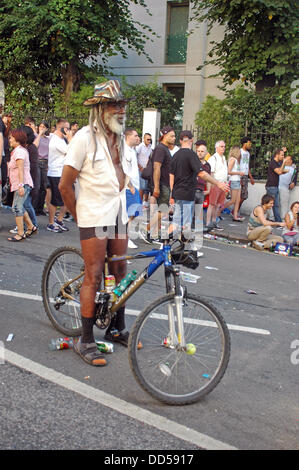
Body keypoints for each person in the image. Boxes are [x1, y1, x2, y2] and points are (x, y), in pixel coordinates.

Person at [59, 79, 134, 366]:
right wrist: (80, 219)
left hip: (117, 211)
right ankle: (86, 339)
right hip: (93, 213)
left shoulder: (120, 139)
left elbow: (125, 180)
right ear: (101, 109)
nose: (120, 110)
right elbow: (66, 185)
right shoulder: (83, 138)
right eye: (115, 105)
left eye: (122, 105)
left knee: (120, 267)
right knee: (94, 274)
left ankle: (117, 328)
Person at [169, 131, 229, 239]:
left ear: (180, 141)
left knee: (176, 221)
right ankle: (186, 251)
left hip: (177, 193)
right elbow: (201, 173)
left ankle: (164, 246)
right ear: (192, 140)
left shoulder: (175, 155)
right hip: (187, 194)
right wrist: (217, 183)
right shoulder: (191, 155)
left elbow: (171, 176)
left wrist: (171, 194)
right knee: (185, 224)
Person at [139, 126, 175, 243]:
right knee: (163, 210)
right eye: (171, 136)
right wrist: (157, 186)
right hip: (161, 184)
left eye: (174, 136)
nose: (174, 138)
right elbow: (156, 167)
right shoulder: (161, 149)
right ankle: (146, 230)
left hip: (163, 183)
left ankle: (153, 234)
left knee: (162, 210)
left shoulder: (164, 148)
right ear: (164, 136)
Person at [7, 129, 36, 241]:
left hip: (22, 184)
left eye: (11, 138)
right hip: (20, 184)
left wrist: (20, 185)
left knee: (17, 208)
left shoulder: (20, 152)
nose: (9, 140)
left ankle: (20, 233)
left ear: (17, 139)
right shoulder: (17, 151)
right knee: (18, 207)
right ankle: (31, 227)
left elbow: (20, 170)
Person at [47, 118, 72, 232]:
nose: (68, 130)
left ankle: (59, 219)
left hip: (65, 173)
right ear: (60, 127)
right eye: (66, 128)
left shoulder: (63, 139)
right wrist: (70, 138)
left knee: (68, 198)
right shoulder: (56, 140)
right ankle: (51, 223)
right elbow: (71, 151)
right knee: (55, 200)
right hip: (56, 173)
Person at [123, 128, 142, 249]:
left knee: (132, 213)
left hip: (134, 186)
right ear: (128, 136)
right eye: (135, 136)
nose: (138, 138)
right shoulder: (124, 151)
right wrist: (130, 186)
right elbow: (123, 170)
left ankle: (125, 237)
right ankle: (126, 238)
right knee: (130, 214)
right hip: (129, 187)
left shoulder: (132, 150)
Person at [205, 140, 228, 231]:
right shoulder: (213, 158)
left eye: (224, 146)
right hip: (216, 183)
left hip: (223, 184)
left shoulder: (224, 158)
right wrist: (211, 185)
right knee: (212, 204)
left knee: (218, 204)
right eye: (221, 146)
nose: (223, 148)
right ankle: (208, 223)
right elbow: (211, 173)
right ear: (217, 147)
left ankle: (214, 222)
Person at [218, 145, 244, 222]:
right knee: (233, 200)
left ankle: (235, 216)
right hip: (234, 180)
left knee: (237, 200)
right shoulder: (233, 159)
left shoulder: (236, 160)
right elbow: (228, 171)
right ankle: (219, 210)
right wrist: (238, 173)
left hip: (237, 180)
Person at [34, 120, 52, 215]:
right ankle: (35, 207)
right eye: (40, 126)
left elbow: (50, 152)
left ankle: (40, 208)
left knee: (44, 187)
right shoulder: (36, 137)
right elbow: (35, 146)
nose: (42, 128)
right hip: (37, 161)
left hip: (45, 162)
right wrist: (39, 134)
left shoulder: (48, 139)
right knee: (37, 186)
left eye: (44, 127)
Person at [265, 149, 288, 222]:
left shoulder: (277, 163)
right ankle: (278, 222)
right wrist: (284, 163)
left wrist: (283, 170)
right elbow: (279, 172)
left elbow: (280, 171)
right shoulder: (273, 163)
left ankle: (277, 221)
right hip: (271, 187)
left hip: (274, 186)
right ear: (277, 155)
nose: (283, 157)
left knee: (274, 205)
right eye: (282, 155)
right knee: (271, 205)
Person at [193, 142, 211, 228]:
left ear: (206, 153)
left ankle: (197, 231)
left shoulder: (208, 166)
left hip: (201, 191)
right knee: (190, 212)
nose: (200, 153)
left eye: (202, 151)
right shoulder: (193, 162)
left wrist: (208, 190)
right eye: (198, 151)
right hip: (192, 190)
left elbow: (208, 179)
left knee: (199, 212)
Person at [238, 137, 255, 215]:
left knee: (244, 195)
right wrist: (239, 177)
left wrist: (251, 177)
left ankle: (236, 210)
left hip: (245, 176)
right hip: (240, 175)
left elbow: (247, 166)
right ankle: (235, 211)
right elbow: (237, 164)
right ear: (244, 143)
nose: (250, 145)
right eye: (249, 143)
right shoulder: (239, 152)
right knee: (242, 195)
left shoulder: (247, 153)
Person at [279, 155, 298, 220]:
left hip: (285, 188)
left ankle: (283, 218)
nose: (285, 160)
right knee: (274, 203)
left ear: (291, 161)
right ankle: (272, 218)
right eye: (285, 159)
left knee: (284, 203)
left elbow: (295, 177)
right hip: (276, 186)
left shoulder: (294, 168)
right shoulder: (280, 165)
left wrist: (294, 183)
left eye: (287, 159)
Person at [136, 132, 152, 207]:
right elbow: (135, 156)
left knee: (147, 187)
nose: (149, 141)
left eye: (150, 139)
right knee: (142, 187)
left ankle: (145, 202)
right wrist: (140, 167)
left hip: (147, 170)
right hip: (141, 169)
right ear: (144, 139)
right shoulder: (140, 147)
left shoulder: (150, 147)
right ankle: (139, 202)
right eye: (148, 139)